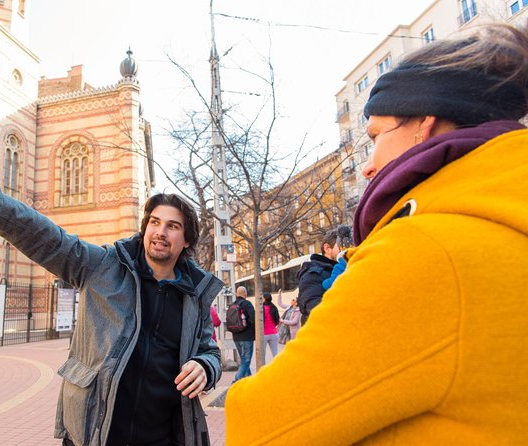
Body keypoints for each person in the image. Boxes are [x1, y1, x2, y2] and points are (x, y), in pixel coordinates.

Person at [226, 23, 528, 444]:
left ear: (425, 123)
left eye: (374, 137)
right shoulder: (505, 221)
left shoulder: (422, 250)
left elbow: (256, 425)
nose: (368, 165)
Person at [0, 153, 223, 446]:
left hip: (164, 436)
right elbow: (46, 237)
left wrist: (205, 367)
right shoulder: (102, 266)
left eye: (172, 226)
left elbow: (209, 351)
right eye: (154, 222)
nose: (160, 231)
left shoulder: (194, 296)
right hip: (95, 432)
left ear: (187, 239)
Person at [295, 229, 339, 325]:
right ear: (327, 248)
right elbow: (317, 311)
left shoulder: (344, 268)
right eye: (341, 246)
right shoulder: (313, 274)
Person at [230, 286, 255, 382]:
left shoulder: (232, 305)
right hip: (247, 336)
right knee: (246, 361)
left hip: (236, 337)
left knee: (244, 360)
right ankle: (236, 381)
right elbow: (253, 318)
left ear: (236, 293)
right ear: (245, 293)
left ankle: (248, 381)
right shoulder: (247, 304)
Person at [261, 292, 280, 362]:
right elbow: (278, 321)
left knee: (262, 354)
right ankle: (279, 369)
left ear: (265, 299)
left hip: (264, 334)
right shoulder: (274, 307)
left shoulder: (261, 308)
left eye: (262, 298)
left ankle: (263, 370)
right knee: (275, 353)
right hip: (274, 333)